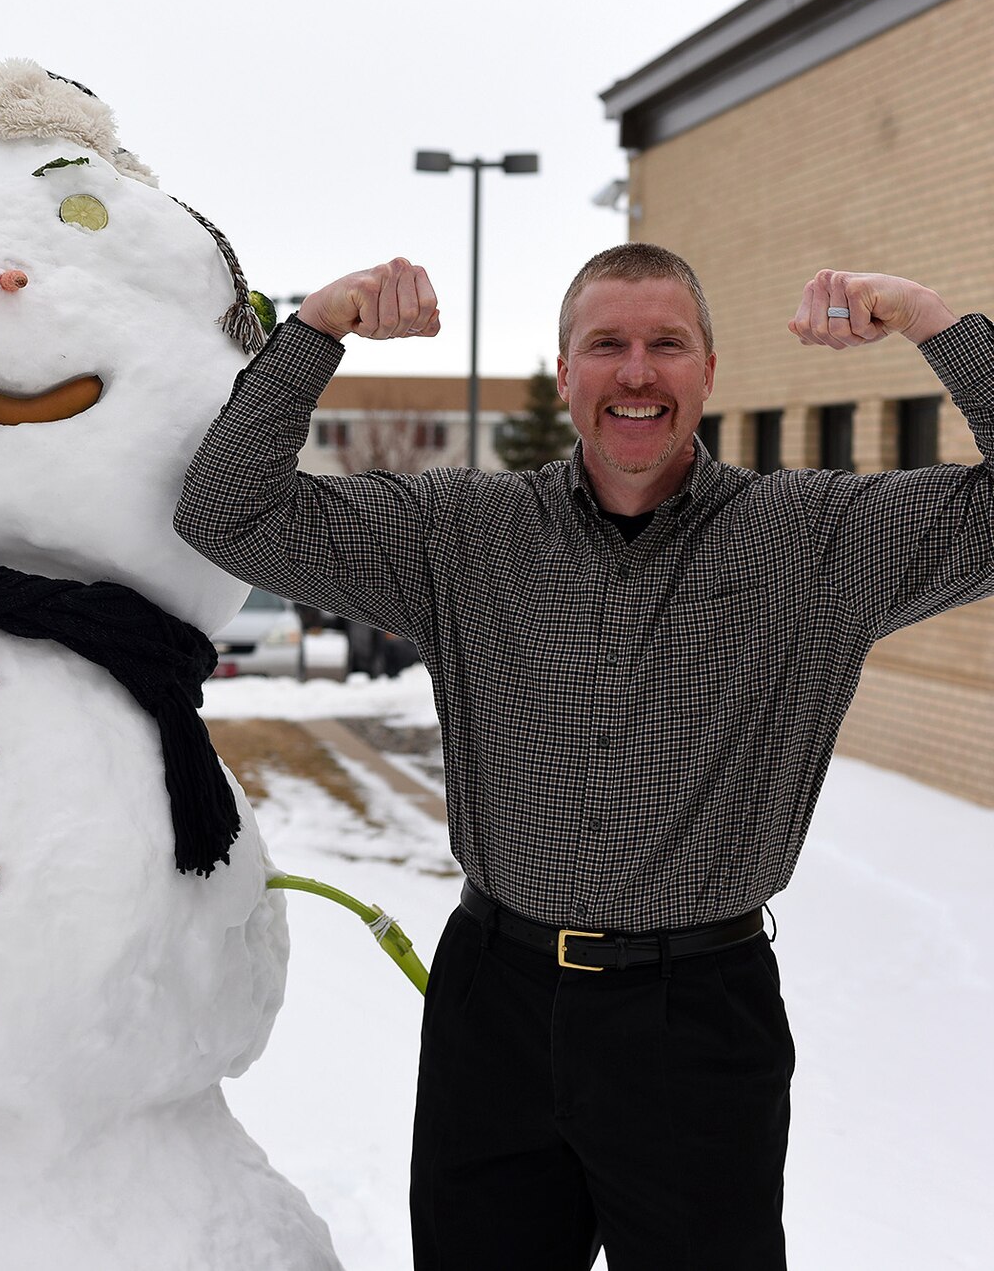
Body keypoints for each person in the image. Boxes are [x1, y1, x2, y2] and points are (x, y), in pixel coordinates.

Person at [173, 244, 993, 1270]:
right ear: (563, 373)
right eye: (605, 344)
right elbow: (223, 510)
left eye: (666, 344)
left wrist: (929, 320)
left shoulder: (813, 541)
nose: (636, 372)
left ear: (708, 371)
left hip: (695, 1017)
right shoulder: (457, 535)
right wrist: (319, 329)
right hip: (495, 1006)